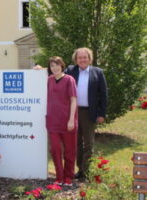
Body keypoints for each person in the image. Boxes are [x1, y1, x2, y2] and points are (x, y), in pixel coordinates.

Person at [65, 47, 108, 179]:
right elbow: (56, 72)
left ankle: (86, 170)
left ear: (89, 59)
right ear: (76, 59)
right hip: (74, 112)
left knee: (88, 143)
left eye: (85, 57)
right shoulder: (71, 71)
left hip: (90, 113)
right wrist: (41, 69)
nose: (82, 60)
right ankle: (80, 170)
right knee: (76, 143)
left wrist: (102, 114)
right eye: (80, 58)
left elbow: (104, 94)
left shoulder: (98, 72)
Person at [46, 56, 78, 186]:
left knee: (70, 150)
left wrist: (71, 119)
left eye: (57, 65)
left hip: (67, 121)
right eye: (52, 66)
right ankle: (59, 176)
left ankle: (68, 177)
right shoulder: (49, 80)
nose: (55, 68)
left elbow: (73, 100)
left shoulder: (69, 80)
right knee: (55, 150)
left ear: (62, 65)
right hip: (53, 121)